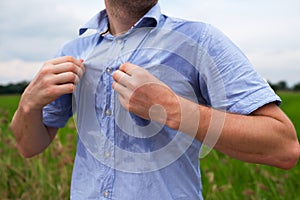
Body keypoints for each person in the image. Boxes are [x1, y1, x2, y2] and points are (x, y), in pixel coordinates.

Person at [10, 0, 300, 199]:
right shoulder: (74, 50)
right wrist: (28, 104)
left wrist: (172, 109)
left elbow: (283, 146)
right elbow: (29, 146)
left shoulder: (201, 41)